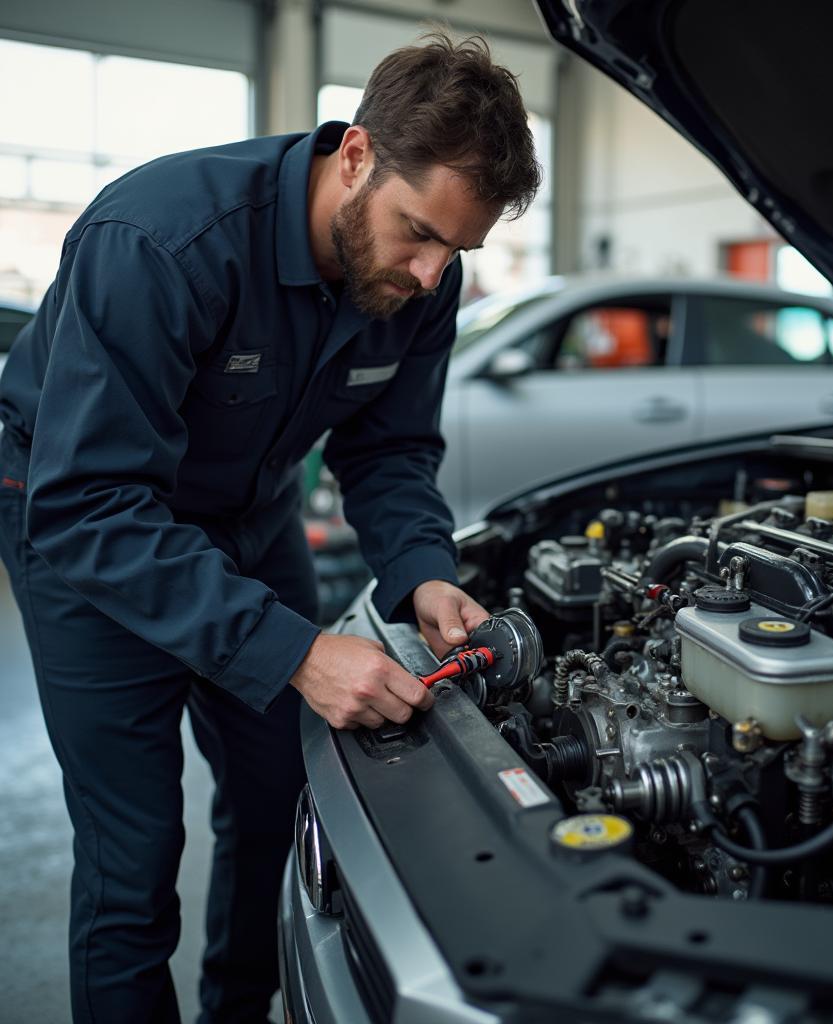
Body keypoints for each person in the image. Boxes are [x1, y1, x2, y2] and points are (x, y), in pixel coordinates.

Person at [0, 31, 540, 1024]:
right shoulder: (164, 240)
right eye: (417, 232)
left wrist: (423, 570)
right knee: (133, 861)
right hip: (83, 525)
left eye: (452, 251)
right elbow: (88, 505)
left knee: (275, 806)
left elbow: (387, 449)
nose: (428, 275)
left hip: (250, 518)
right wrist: (294, 650)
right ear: (355, 156)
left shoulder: (426, 281)